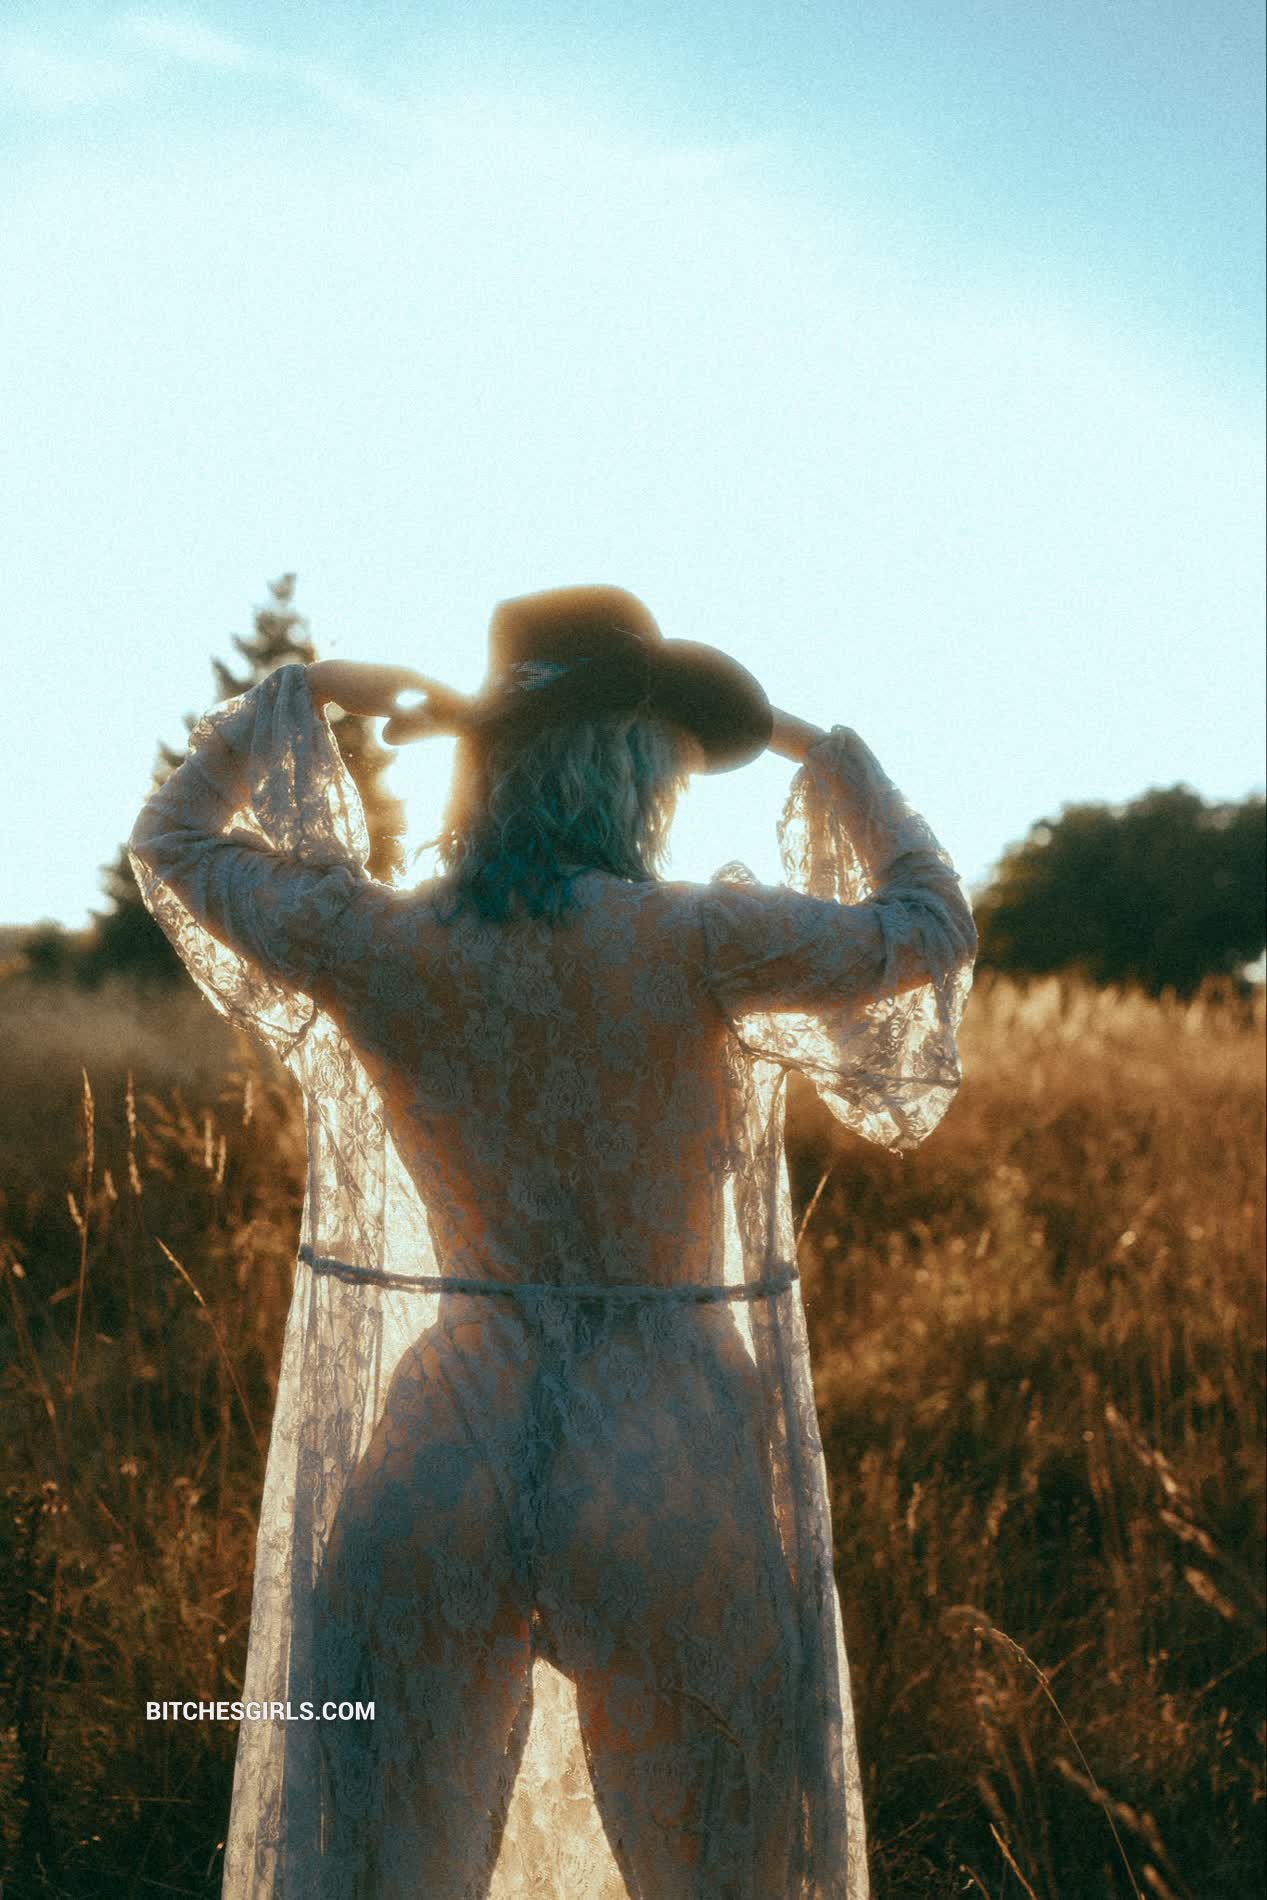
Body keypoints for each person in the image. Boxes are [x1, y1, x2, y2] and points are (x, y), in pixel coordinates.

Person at [129, 584, 977, 1899]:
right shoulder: (698, 937)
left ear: (488, 761)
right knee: (720, 1872)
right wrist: (824, 756)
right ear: (638, 769)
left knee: (382, 1870)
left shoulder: (374, 938)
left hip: (445, 1440)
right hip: (662, 1442)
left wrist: (312, 694)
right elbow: (927, 929)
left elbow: (173, 839)